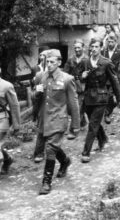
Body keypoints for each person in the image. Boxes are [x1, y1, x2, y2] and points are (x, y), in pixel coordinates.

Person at [32, 49, 80, 195]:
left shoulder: (67, 79)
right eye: (47, 62)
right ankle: (65, 161)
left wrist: (75, 125)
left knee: (50, 149)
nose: (49, 65)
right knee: (52, 145)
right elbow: (35, 98)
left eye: (53, 62)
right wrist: (36, 93)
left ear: (59, 62)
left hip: (59, 119)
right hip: (44, 119)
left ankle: (46, 182)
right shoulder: (41, 76)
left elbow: (73, 103)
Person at [81, 38, 120, 163]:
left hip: (101, 97)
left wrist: (119, 99)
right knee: (94, 122)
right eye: (92, 46)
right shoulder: (85, 61)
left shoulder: (106, 63)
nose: (93, 49)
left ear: (100, 48)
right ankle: (102, 138)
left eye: (96, 47)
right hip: (88, 97)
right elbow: (79, 77)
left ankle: (86, 152)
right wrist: (82, 77)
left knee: (93, 124)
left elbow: (115, 81)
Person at [64, 39, 88, 137]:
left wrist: (85, 76)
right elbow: (65, 72)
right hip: (72, 84)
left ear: (83, 48)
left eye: (79, 47)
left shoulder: (87, 59)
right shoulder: (71, 59)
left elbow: (90, 72)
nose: (77, 50)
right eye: (75, 48)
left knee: (78, 106)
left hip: (83, 86)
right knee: (70, 107)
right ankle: (83, 122)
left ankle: (73, 130)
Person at [102, 35, 120, 124]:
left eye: (112, 42)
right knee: (108, 96)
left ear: (115, 42)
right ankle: (106, 114)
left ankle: (107, 112)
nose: (110, 44)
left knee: (113, 99)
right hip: (104, 78)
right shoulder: (103, 52)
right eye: (109, 42)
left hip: (115, 78)